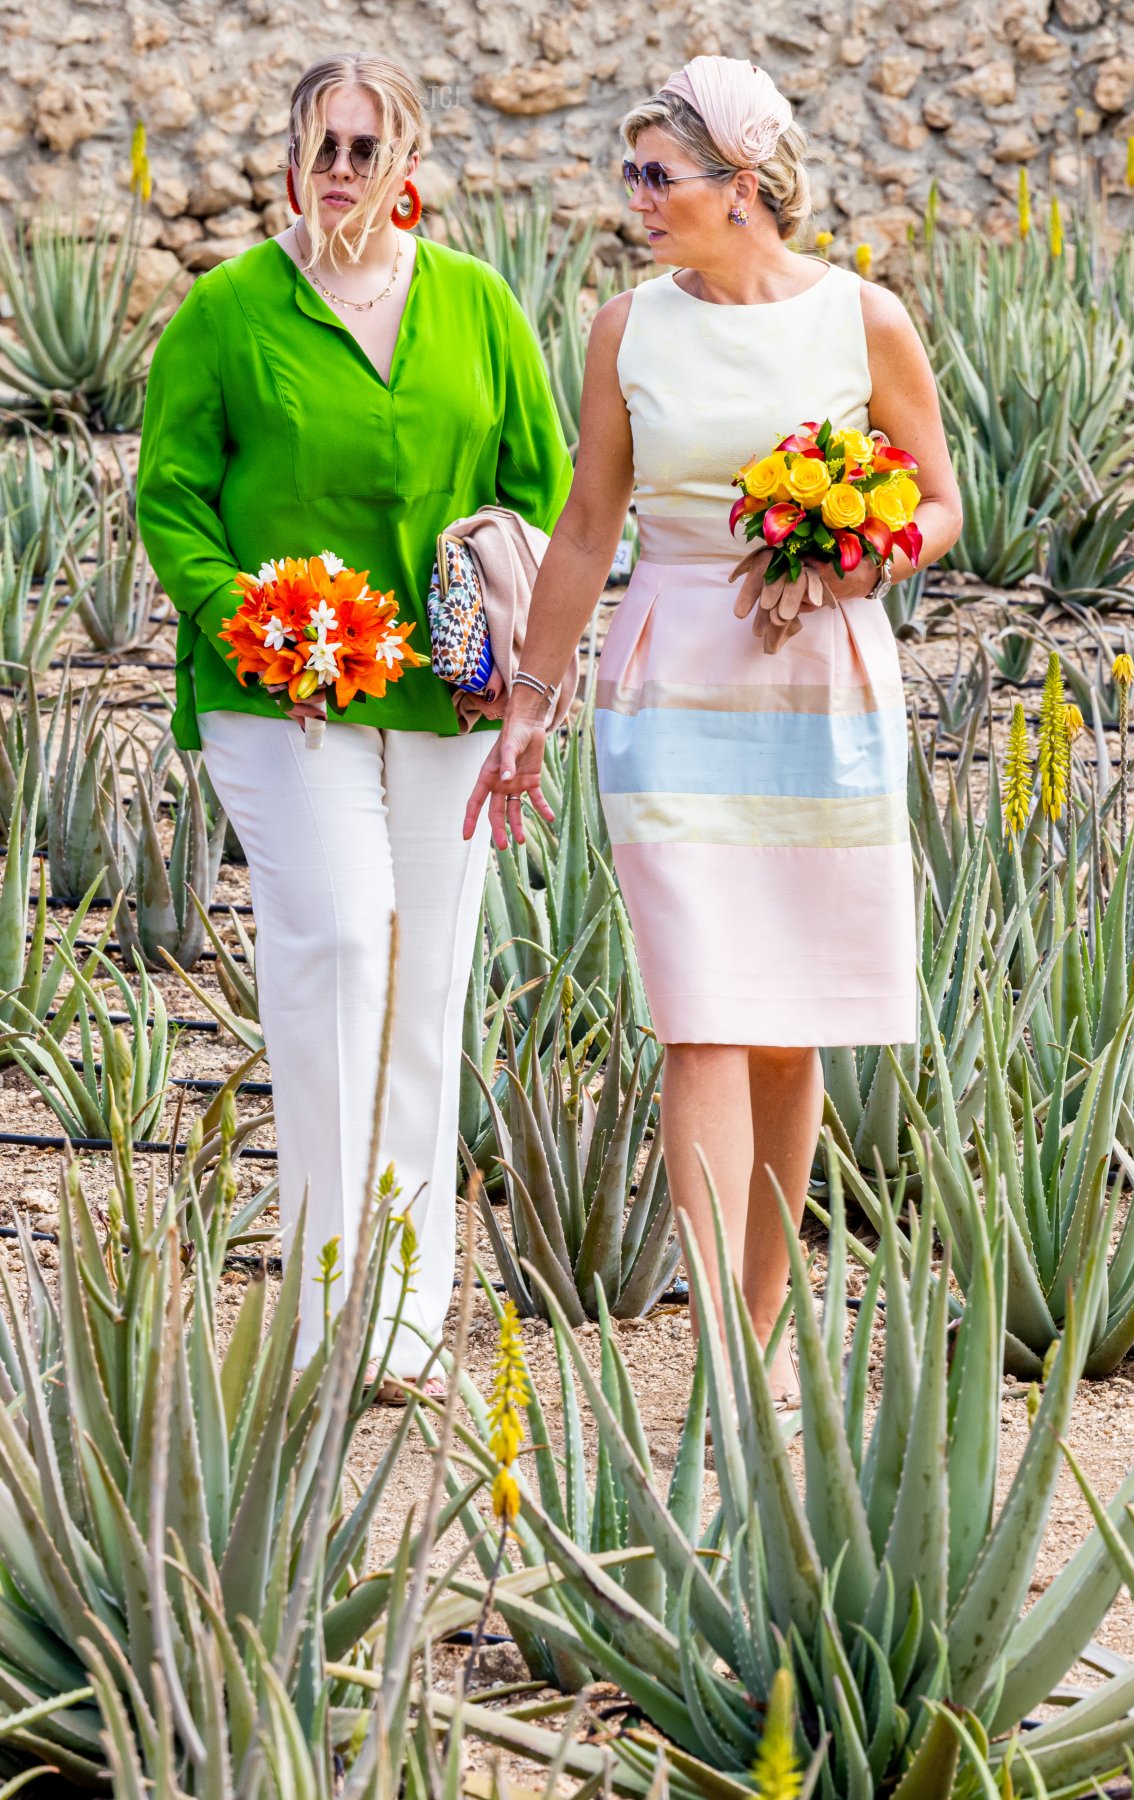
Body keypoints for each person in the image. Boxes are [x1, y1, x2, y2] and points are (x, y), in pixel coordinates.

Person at [464, 56, 963, 1409]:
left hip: (820, 686)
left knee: (792, 1024)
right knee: (700, 1014)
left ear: (743, 189)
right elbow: (586, 525)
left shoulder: (868, 319)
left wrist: (858, 560)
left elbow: (939, 501)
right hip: (668, 682)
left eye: (656, 176)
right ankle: (711, 1366)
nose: (633, 198)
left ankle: (761, 1322)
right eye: (629, 172)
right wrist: (532, 701)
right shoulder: (627, 328)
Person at [137, 53, 573, 1399]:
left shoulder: (478, 307)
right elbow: (170, 499)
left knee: (428, 980)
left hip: (446, 691)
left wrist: (524, 679)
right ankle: (328, 1311)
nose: (343, 166)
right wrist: (252, 625)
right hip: (285, 697)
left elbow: (541, 483)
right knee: (341, 953)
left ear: (410, 162)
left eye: (366, 144)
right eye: (324, 143)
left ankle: (403, 1321)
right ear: (289, 159)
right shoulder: (226, 313)